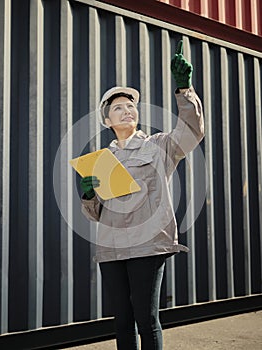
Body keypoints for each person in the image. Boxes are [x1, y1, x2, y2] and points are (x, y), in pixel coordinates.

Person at [80, 40, 204, 350]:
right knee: (121, 320)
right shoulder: (99, 161)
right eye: (117, 107)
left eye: (131, 106)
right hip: (110, 247)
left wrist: (184, 89)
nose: (126, 111)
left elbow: (192, 130)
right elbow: (95, 214)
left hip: (147, 244)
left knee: (146, 319)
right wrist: (87, 196)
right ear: (107, 121)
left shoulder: (160, 146)